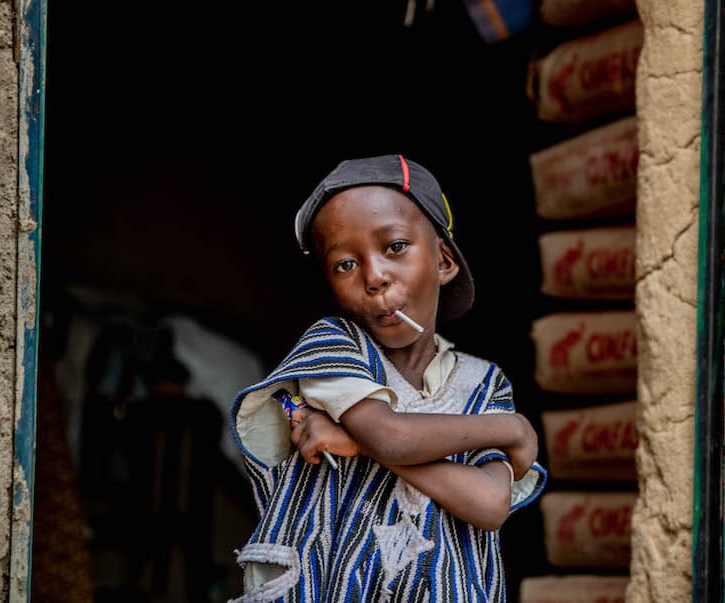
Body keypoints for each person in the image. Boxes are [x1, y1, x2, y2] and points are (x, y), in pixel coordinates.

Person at [229, 154, 546, 601]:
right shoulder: (335, 348)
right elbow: (390, 436)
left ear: (444, 261)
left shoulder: (484, 384)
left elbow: (490, 505)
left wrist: (354, 442)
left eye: (395, 247)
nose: (374, 277)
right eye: (345, 265)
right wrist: (514, 428)